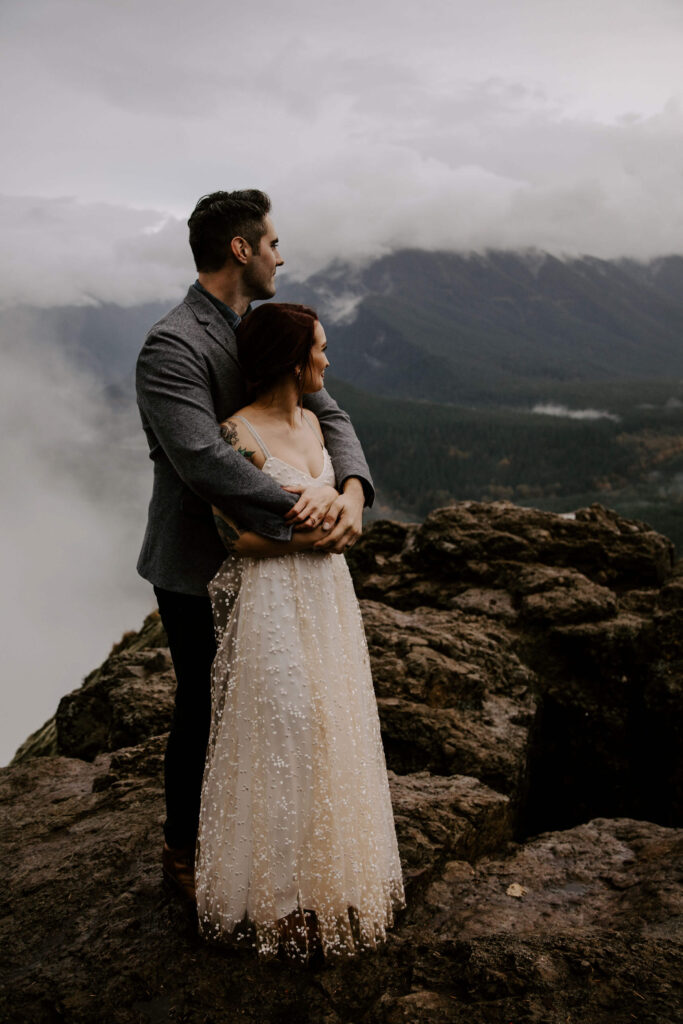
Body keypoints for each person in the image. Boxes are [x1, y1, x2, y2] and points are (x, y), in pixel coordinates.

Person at [135, 191, 374, 903]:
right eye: (271, 243)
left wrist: (354, 491)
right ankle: (184, 848)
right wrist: (311, 505)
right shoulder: (171, 344)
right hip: (195, 561)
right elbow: (202, 459)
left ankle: (271, 842)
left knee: (285, 705)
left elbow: (327, 411)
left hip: (279, 549)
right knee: (206, 704)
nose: (279, 255)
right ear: (240, 249)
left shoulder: (255, 326)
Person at [195, 303, 405, 962]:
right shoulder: (236, 435)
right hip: (274, 601)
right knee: (281, 732)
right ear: (293, 360)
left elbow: (345, 502)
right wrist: (316, 529)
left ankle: (324, 879)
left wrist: (344, 498)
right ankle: (278, 902)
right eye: (320, 348)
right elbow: (231, 536)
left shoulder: (317, 422)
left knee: (328, 730)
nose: (327, 359)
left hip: (327, 600)